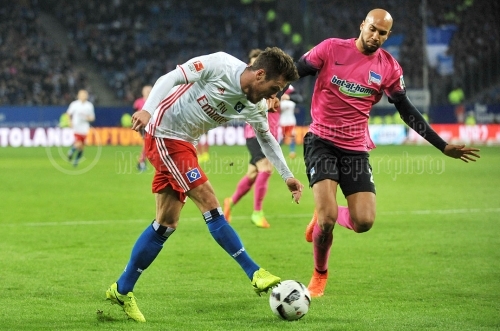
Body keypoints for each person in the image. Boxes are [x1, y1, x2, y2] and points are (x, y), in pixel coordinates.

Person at [105, 47, 304, 322]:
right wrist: (148, 110)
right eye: (275, 87)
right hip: (164, 133)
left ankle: (122, 290)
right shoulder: (220, 65)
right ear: (260, 74)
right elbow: (170, 77)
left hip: (185, 143)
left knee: (165, 223)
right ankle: (254, 272)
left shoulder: (255, 105)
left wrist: (287, 176)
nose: (275, 96)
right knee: (209, 202)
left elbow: (266, 138)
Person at [294, 8, 481, 298]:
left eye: (382, 33)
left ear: (387, 36)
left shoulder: (389, 68)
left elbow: (406, 110)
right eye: (372, 29)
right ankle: (319, 274)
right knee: (328, 219)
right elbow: (296, 70)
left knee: (364, 222)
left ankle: (321, 215)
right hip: (322, 141)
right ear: (362, 25)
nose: (375, 36)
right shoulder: (331, 49)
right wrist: (273, 92)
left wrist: (442, 145)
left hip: (356, 149)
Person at [223, 48, 281, 228]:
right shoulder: (248, 86)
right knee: (266, 169)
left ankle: (229, 203)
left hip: (270, 135)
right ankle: (257, 212)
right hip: (255, 134)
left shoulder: (273, 80)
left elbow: (291, 90)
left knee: (252, 173)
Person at [66, 89, 95, 167]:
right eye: (81, 95)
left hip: (85, 128)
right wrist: (70, 122)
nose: (83, 96)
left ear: (87, 96)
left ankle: (76, 161)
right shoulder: (74, 104)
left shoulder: (89, 105)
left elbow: (92, 118)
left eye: (84, 95)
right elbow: (68, 113)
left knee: (82, 147)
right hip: (76, 127)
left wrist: (87, 118)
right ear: (78, 96)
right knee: (78, 143)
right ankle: (71, 152)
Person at [133, 85, 153, 172]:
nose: (148, 91)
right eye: (146, 90)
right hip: (143, 126)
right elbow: (134, 113)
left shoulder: (154, 101)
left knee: (148, 144)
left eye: (149, 90)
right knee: (147, 144)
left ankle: (142, 162)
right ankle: (141, 162)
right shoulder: (138, 102)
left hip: (152, 125)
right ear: (143, 92)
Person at [278, 84, 300, 159]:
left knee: (292, 136)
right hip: (282, 121)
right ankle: (277, 152)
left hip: (291, 121)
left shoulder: (291, 100)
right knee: (281, 137)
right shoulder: (280, 100)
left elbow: (297, 100)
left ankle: (292, 152)